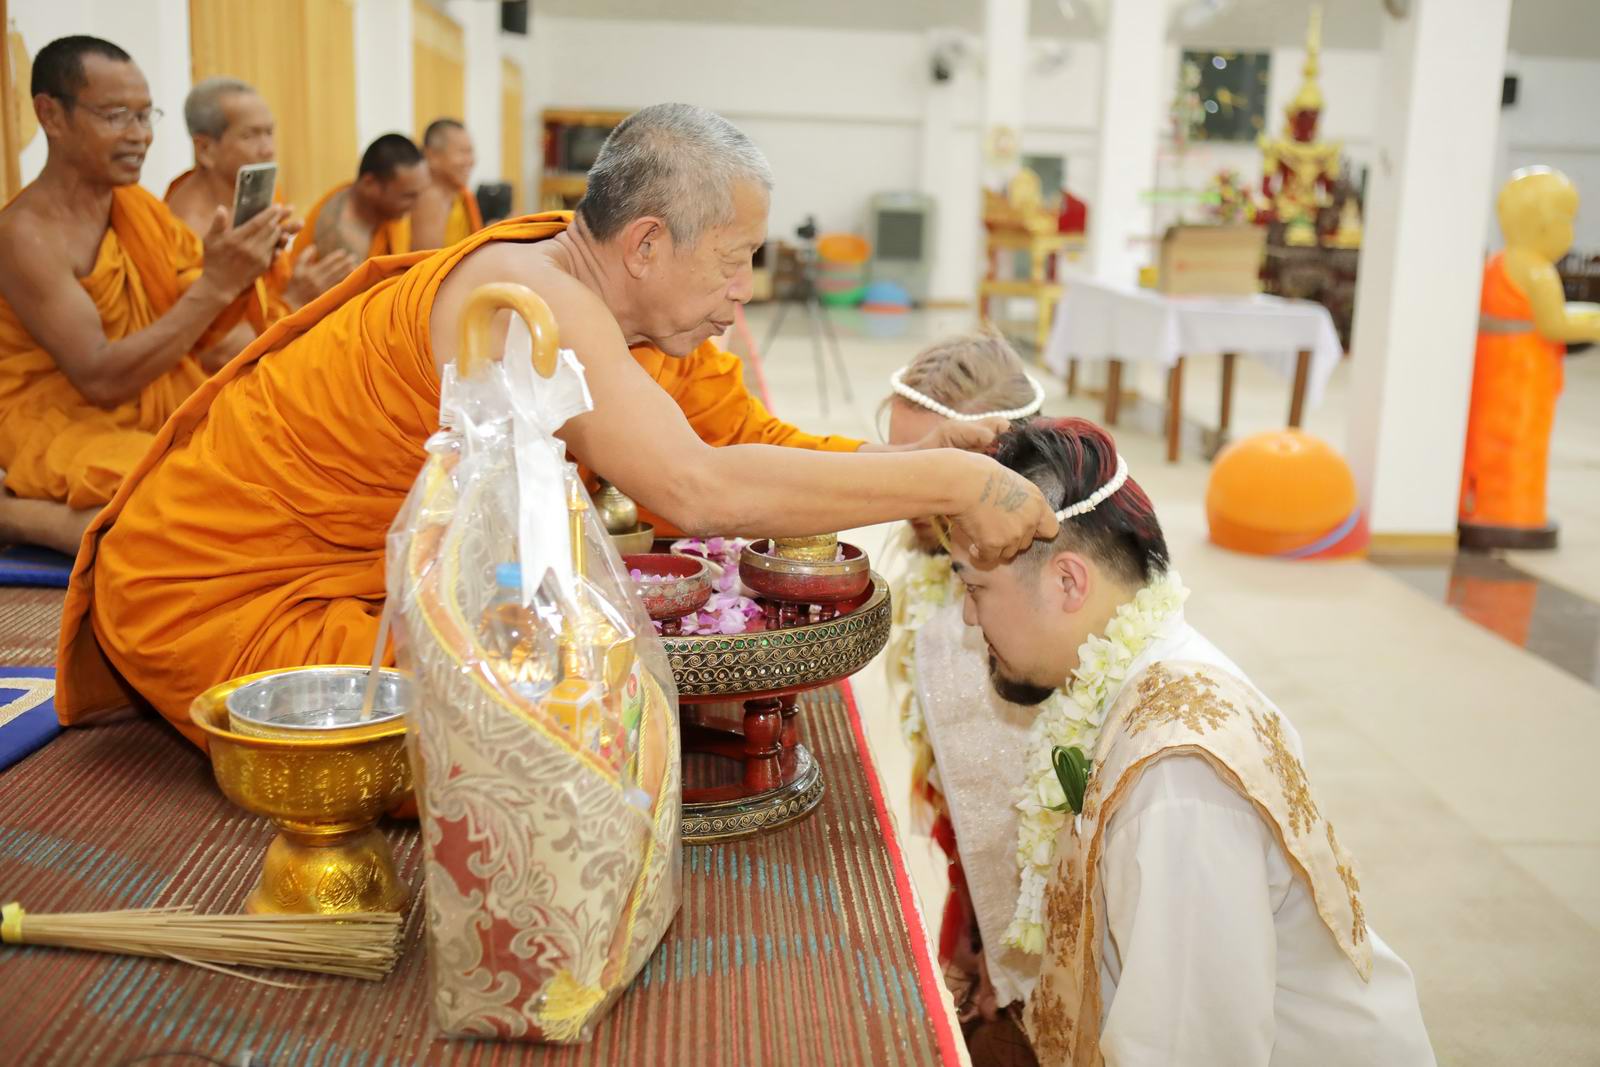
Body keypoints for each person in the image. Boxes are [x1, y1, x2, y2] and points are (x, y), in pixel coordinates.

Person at [57, 102, 1058, 749]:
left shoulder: (629, 303)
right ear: (648, 241)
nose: (739, 296)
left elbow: (746, 440)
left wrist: (912, 457)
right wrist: (955, 486)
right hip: (226, 594)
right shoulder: (523, 295)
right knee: (562, 731)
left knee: (604, 678)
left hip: (358, 574)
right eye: (733, 259)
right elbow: (693, 490)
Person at [945, 418, 1434, 1066]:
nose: (969, 616)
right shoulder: (1124, 679)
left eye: (976, 589)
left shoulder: (1174, 780)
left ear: (1068, 581)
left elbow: (1190, 1047)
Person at [0, 36, 288, 554]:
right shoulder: (25, 235)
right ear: (51, 115)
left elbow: (204, 328)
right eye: (116, 116)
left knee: (280, 456)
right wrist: (216, 284)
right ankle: (17, 517)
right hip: (62, 420)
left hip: (157, 399)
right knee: (197, 502)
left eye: (145, 115)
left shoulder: (139, 211)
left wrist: (244, 268)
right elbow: (99, 378)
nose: (141, 136)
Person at [877, 329, 1049, 1026]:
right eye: (899, 458)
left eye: (934, 467)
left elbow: (1019, 809)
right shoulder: (935, 562)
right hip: (977, 879)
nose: (904, 487)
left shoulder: (1025, 605)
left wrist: (996, 946)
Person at [166, 77, 356, 322]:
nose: (267, 149)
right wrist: (293, 301)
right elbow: (211, 347)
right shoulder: (186, 228)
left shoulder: (256, 192)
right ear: (205, 149)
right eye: (250, 136)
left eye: (269, 133)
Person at [291, 133, 426, 266]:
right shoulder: (339, 234)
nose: (418, 204)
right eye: (408, 196)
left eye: (419, 193)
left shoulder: (389, 212)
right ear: (369, 184)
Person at [410, 117, 482, 251]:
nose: (470, 161)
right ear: (432, 156)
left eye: (470, 151)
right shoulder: (430, 198)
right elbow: (427, 264)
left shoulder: (458, 195)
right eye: (462, 152)